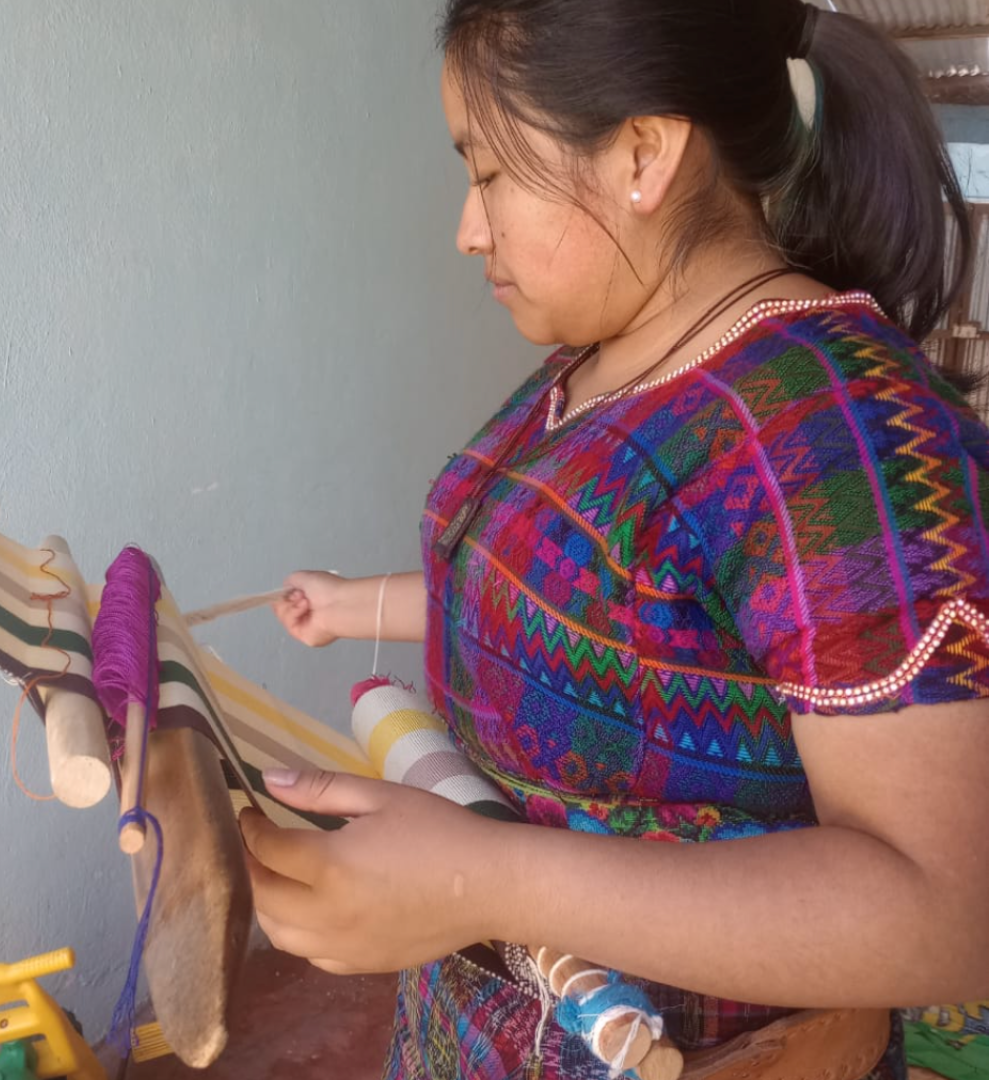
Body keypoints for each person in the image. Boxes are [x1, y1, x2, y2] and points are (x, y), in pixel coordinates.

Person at [238, 1, 989, 1077]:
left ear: (644, 154)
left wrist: (477, 883)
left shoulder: (835, 433)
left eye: (490, 172)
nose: (468, 229)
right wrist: (355, 604)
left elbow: (949, 910)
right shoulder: (602, 360)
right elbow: (581, 612)